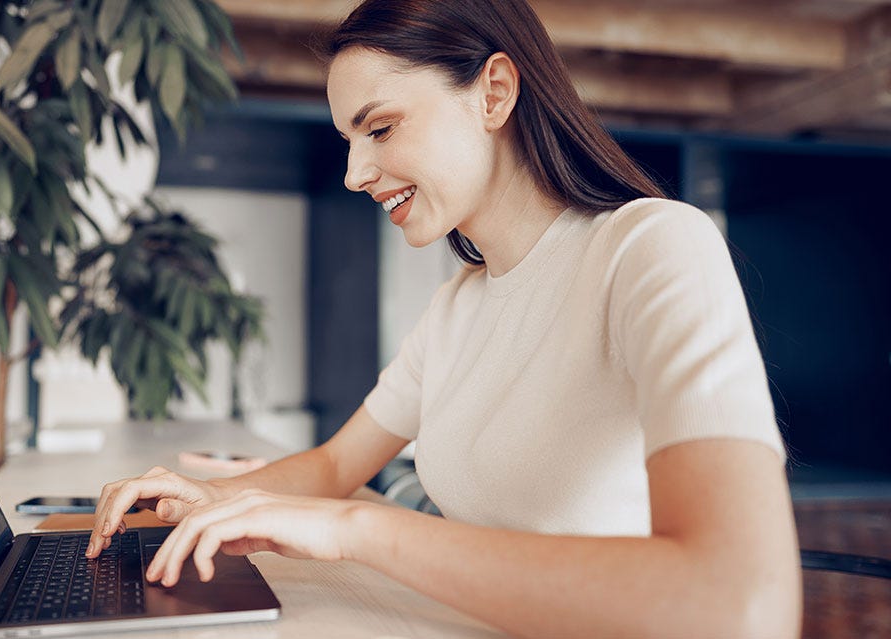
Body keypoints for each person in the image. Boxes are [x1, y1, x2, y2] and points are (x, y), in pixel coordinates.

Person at [84, 0, 802, 636]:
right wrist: (212, 499)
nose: (354, 172)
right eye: (349, 140)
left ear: (493, 92)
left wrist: (355, 528)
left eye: (381, 127)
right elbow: (337, 463)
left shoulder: (652, 247)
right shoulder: (459, 303)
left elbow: (740, 605)